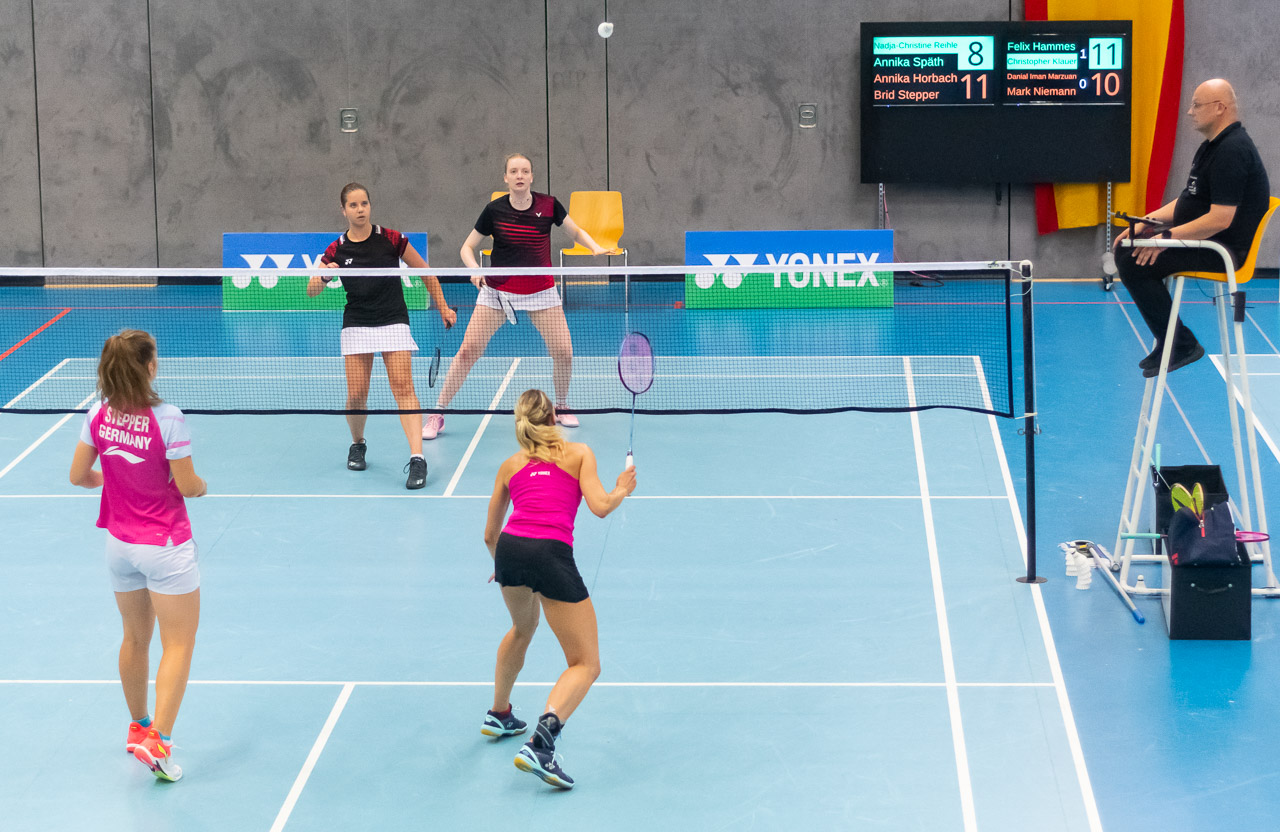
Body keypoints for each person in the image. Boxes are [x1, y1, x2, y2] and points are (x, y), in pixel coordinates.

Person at [69, 330, 207, 782]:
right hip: (165, 547)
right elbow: (187, 485)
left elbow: (78, 475)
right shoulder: (168, 419)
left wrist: (117, 483)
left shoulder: (97, 413)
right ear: (149, 367)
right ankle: (159, 743)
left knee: (134, 638)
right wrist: (202, 486)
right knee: (179, 644)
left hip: (119, 546)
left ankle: (138, 726)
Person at [481, 389, 636, 789]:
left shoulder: (509, 465)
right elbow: (600, 506)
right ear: (553, 418)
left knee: (521, 628)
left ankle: (499, 714)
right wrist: (622, 487)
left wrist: (501, 567)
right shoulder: (578, 453)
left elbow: (489, 535)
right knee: (586, 663)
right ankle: (541, 743)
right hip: (549, 554)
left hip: (510, 551)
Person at [423, 154, 618, 440]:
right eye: (514, 171)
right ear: (506, 177)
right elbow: (467, 247)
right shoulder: (494, 210)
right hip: (498, 292)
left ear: (531, 176)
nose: (519, 176)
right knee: (467, 352)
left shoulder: (549, 205)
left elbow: (574, 231)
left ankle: (562, 406)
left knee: (564, 352)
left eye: (525, 171)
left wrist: (594, 247)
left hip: (541, 291)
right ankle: (437, 413)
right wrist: (475, 270)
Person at [1114, 78, 1271, 378]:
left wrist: (1164, 239)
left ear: (1220, 108)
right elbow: (1188, 201)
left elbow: (1220, 219)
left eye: (1197, 105)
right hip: (1206, 241)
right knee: (1128, 247)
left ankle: (1181, 344)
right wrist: (1146, 223)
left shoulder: (1233, 150)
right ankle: (1171, 340)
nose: (1190, 112)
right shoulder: (1211, 147)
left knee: (1133, 260)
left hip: (1222, 250)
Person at [307, 183, 456, 488]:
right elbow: (311, 290)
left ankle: (418, 458)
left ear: (370, 205)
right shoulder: (336, 249)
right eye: (353, 205)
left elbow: (424, 271)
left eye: (364, 203)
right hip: (357, 322)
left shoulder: (391, 238)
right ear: (343, 210)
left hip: (392, 319)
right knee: (356, 394)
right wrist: (325, 275)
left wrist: (442, 306)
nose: (360, 209)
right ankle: (358, 443)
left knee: (403, 387)